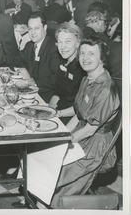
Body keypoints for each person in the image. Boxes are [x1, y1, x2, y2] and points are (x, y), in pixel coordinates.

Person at [50, 34, 120, 208]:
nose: (85, 58)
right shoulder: (86, 78)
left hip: (95, 145)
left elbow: (90, 129)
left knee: (58, 178)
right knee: (48, 158)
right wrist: (63, 134)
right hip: (82, 133)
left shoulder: (106, 88)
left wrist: (64, 141)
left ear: (102, 58)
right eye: (82, 53)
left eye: (91, 54)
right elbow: (78, 112)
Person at [15, 13, 60, 102]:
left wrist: (33, 82)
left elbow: (56, 78)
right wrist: (23, 69)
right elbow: (16, 58)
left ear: (45, 28)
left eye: (37, 28)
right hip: (30, 94)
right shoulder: (29, 45)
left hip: (46, 97)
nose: (32, 32)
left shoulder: (54, 48)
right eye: (30, 29)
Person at [49, 23, 86, 124]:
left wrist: (57, 114)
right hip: (59, 113)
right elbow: (57, 93)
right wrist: (49, 110)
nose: (63, 46)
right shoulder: (63, 62)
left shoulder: (82, 68)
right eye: (60, 42)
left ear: (78, 43)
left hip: (74, 119)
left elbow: (81, 107)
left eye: (68, 41)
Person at [83, 11, 122, 78]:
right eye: (105, 22)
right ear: (98, 22)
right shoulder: (97, 35)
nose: (106, 25)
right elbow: (112, 46)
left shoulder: (84, 31)